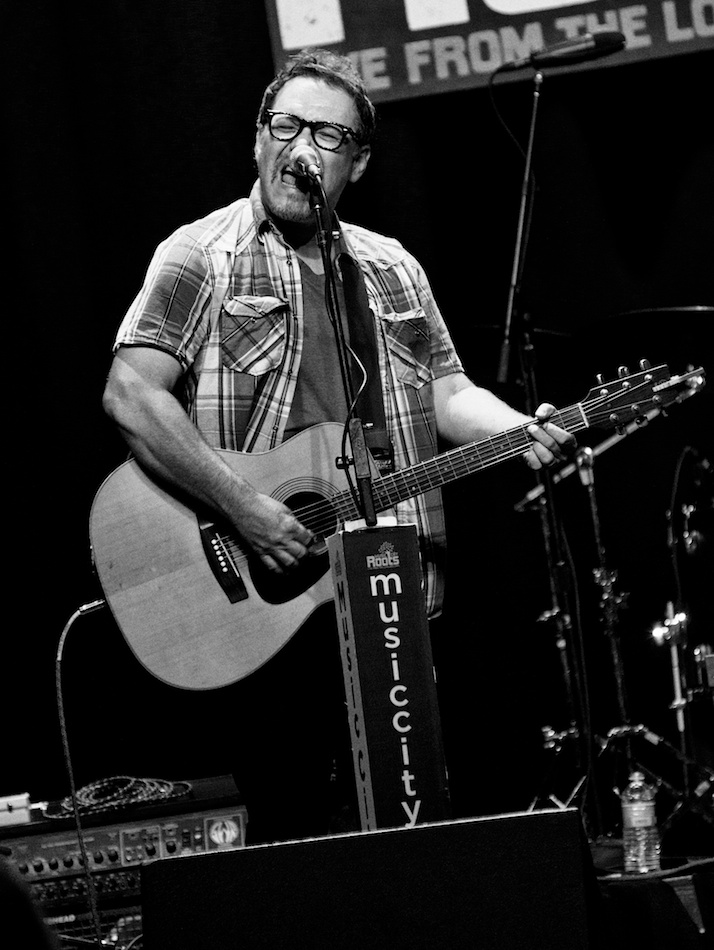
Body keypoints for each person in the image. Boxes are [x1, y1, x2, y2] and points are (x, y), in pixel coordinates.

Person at [102, 48, 575, 845]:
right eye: (286, 125)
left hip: (388, 586)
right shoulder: (202, 253)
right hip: (265, 592)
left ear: (356, 162)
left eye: (327, 135)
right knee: (294, 824)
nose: (301, 149)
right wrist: (246, 510)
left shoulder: (393, 268)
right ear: (258, 137)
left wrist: (518, 427)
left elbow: (446, 392)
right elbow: (131, 394)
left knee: (407, 819)